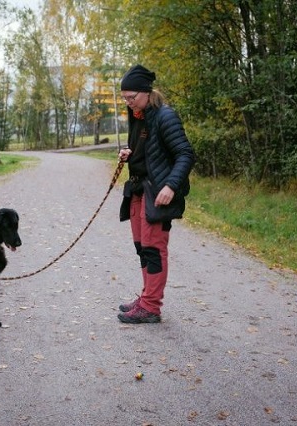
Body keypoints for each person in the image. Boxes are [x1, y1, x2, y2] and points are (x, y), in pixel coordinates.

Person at [117, 64, 195, 324]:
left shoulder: (165, 116)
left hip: (158, 192)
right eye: (125, 98)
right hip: (139, 189)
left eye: (132, 97)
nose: (128, 103)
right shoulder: (139, 116)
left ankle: (151, 307)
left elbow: (185, 154)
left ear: (146, 92)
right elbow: (148, 150)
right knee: (142, 247)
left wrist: (171, 186)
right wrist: (130, 152)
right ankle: (146, 297)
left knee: (153, 249)